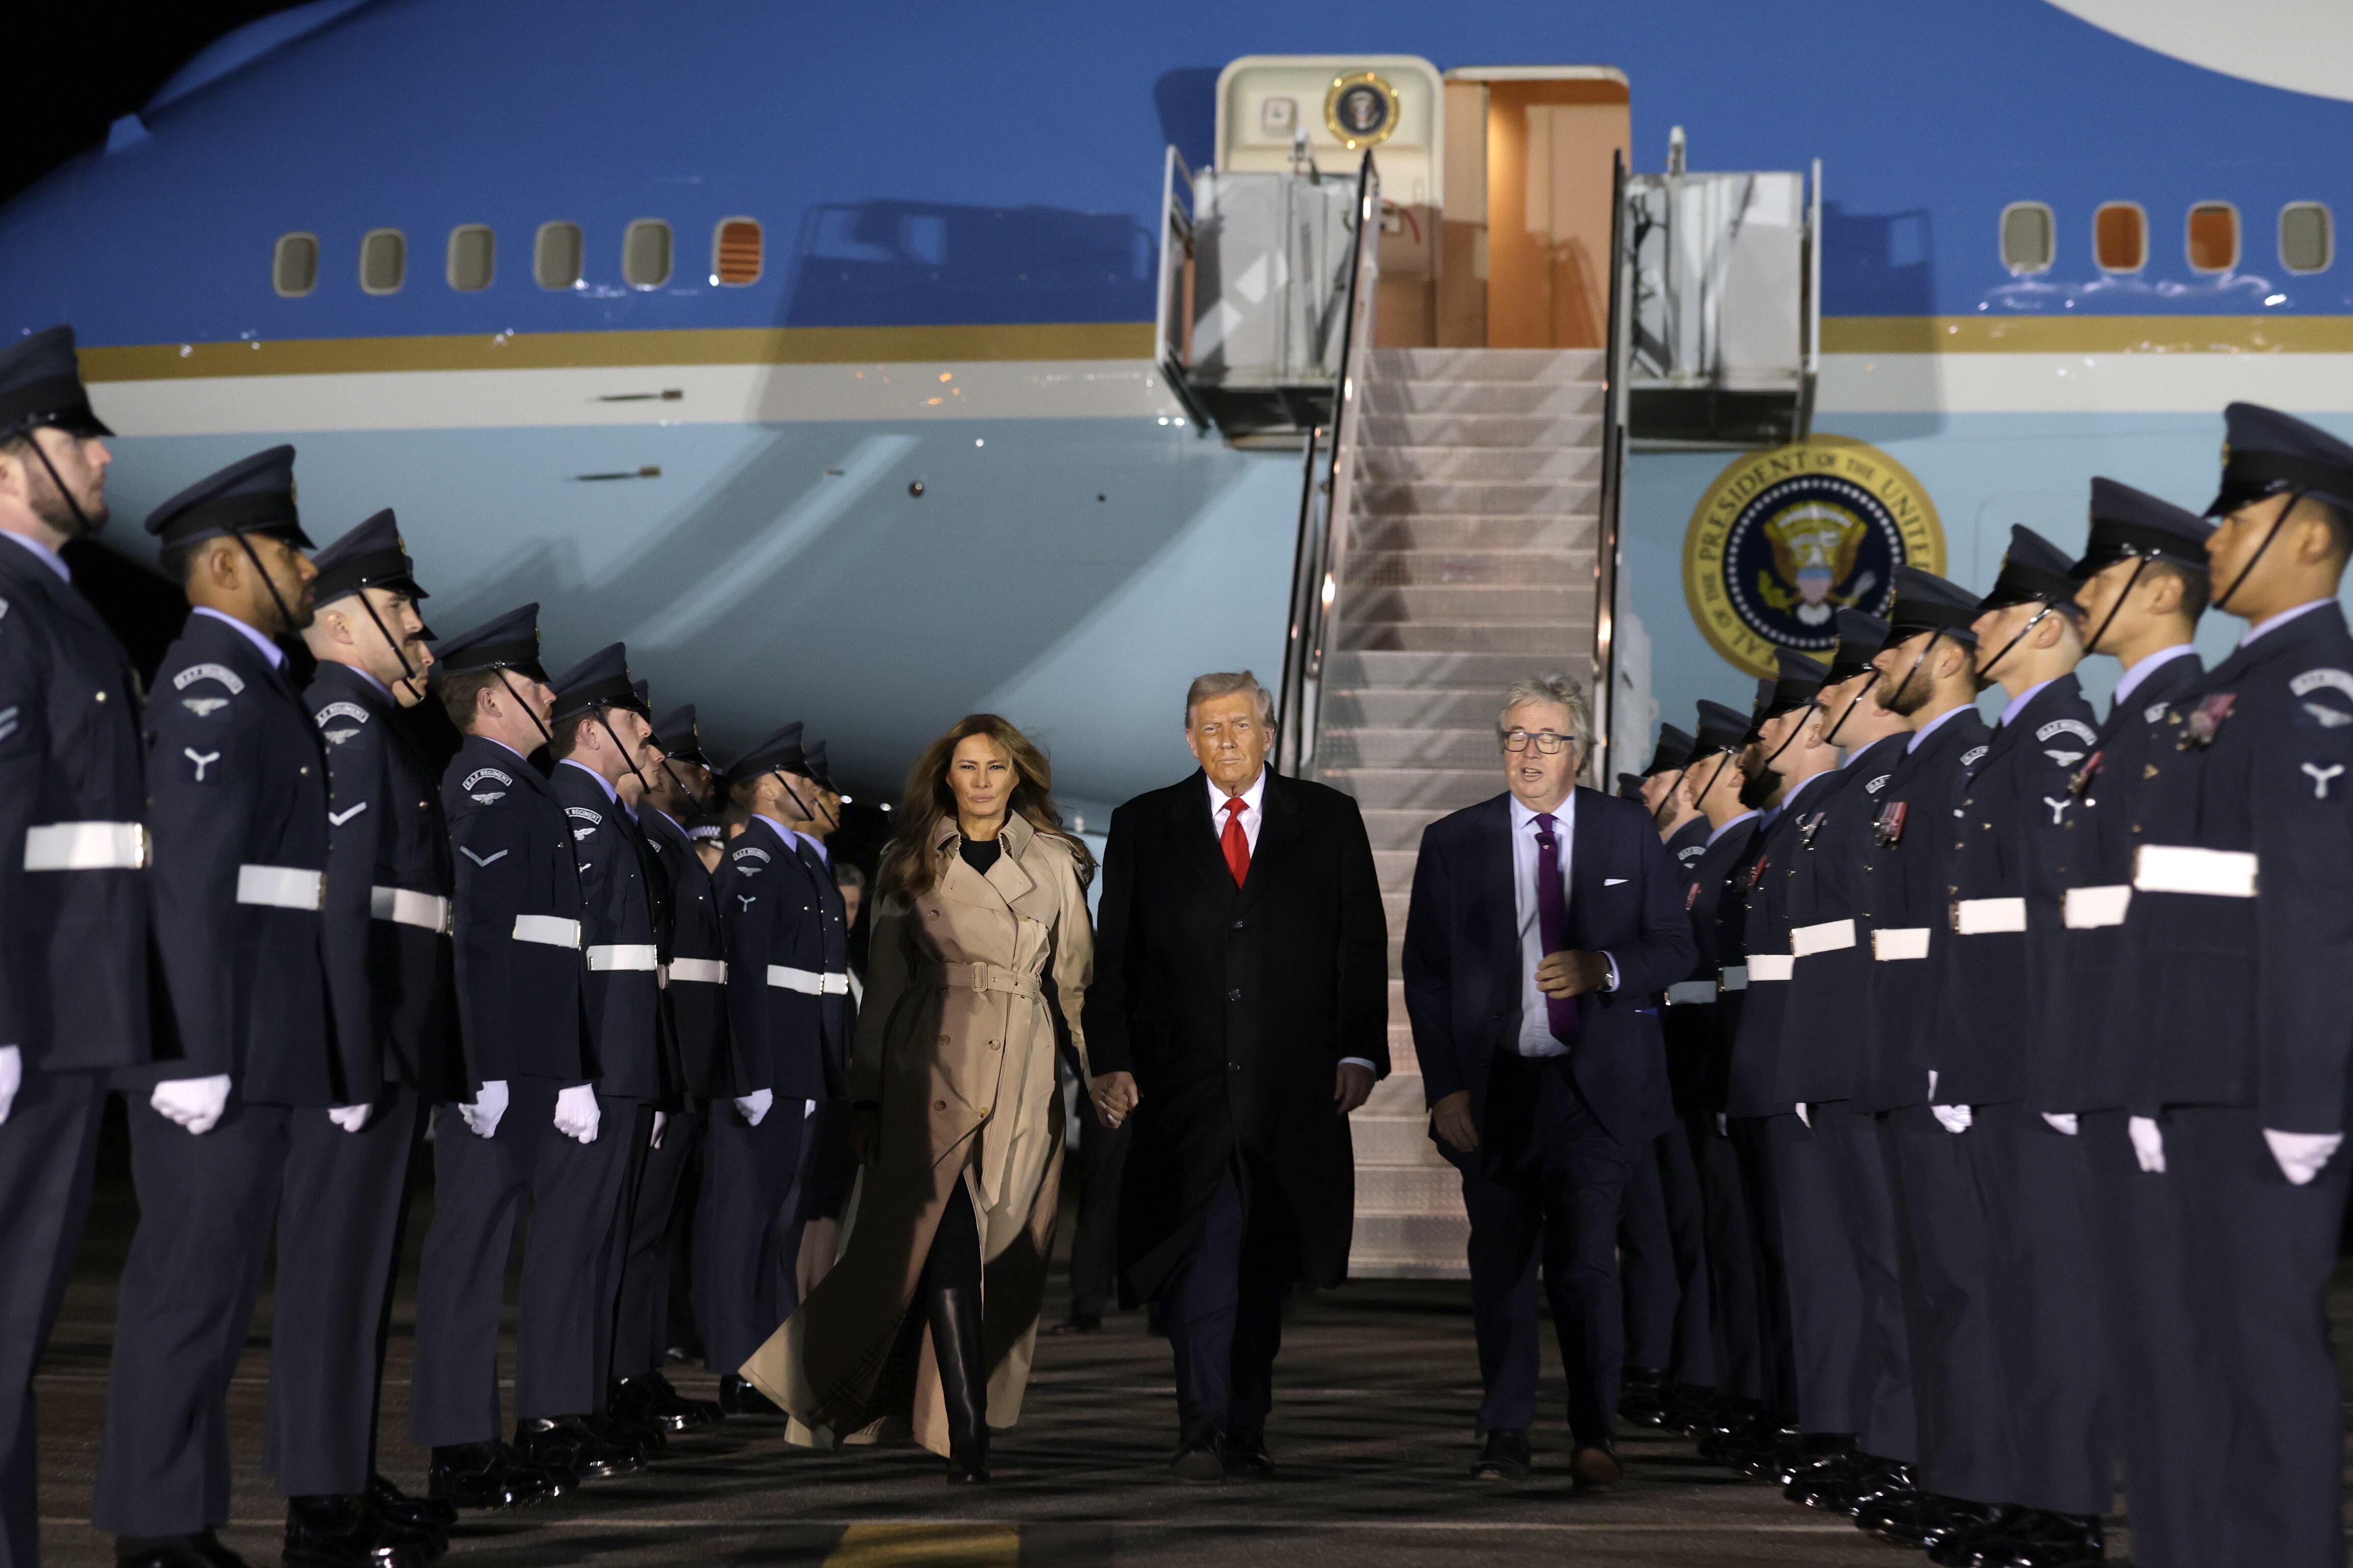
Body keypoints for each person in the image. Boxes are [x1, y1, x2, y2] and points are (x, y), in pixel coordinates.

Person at [91, 449, 362, 1568]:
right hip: (218, 1047)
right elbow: (190, 882)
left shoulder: (256, 686)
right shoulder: (212, 681)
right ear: (222, 562)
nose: (306, 568)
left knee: (211, 1291)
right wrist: (189, 1050)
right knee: (186, 1291)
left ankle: (177, 1516)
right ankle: (155, 1528)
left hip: (261, 1039)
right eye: (288, 549)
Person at [2099, 406, 2353, 1568]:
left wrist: (2302, 1105)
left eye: (2239, 513)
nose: (2213, 536)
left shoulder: (2310, 692)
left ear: (2309, 536)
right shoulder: (2242, 688)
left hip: (2259, 1094)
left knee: (2261, 1363)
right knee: (2188, 1361)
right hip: (2197, 1079)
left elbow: (2312, 913)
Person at [743, 713, 1095, 1484]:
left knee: (1002, 1256)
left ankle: (949, 1411)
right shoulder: (909, 862)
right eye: (966, 767)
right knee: (944, 1241)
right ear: (946, 777)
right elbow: (885, 991)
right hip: (927, 1071)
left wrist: (1098, 1075)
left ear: (1015, 775)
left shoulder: (1058, 862)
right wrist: (867, 1098)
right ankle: (967, 1430)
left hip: (1022, 1078)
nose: (979, 781)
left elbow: (1072, 981)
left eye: (994, 767)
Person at [1085, 670, 1386, 1482]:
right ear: (1189, 739)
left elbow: (1359, 948)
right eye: (1209, 728)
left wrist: (1359, 1051)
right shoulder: (1144, 823)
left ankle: (1244, 1423)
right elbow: (1114, 959)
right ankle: (1203, 1426)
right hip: (1184, 1094)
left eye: (1240, 725)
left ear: (1270, 732)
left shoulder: (1327, 820)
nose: (1225, 740)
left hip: (1291, 1096)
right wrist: (1110, 1059)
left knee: (1265, 1268)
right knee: (1205, 1259)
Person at [1401, 673, 1693, 1485]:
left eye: (1547, 739)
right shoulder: (1453, 840)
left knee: (1585, 1265)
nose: (1529, 754)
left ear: (1581, 750)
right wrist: (1444, 1088)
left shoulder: (1627, 831)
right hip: (1495, 1090)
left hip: (1595, 1092)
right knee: (1499, 1265)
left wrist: (1602, 965)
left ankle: (1595, 1431)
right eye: (1515, 738)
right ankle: (1503, 1429)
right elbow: (1424, 975)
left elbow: (1676, 945)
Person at [1905, 527, 2108, 1565]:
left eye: (1991, 612)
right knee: (2010, 1283)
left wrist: (2063, 1066)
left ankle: (2063, 1506)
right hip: (1990, 1058)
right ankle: (2025, 1490)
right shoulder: (2010, 749)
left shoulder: (2061, 741)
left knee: (2053, 1290)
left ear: (2038, 626)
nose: (1974, 628)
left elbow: (2062, 924)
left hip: (2037, 1064)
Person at [407, 603, 625, 1505]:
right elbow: (480, 941)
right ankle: (457, 1441)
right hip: (498, 1066)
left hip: (534, 1065)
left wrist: (567, 1066)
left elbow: (547, 951)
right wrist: (485, 1064)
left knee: (491, 1247)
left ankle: (479, 1434)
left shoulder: (520, 788)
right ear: (495, 699)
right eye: (537, 685)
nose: (550, 697)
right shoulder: (486, 788)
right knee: (467, 1253)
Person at [272, 509, 458, 1557]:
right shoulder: (342, 723)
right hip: (356, 1043)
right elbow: (339, 904)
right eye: (402, 615)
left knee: (359, 1276)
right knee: (329, 1275)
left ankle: (340, 1470)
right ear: (345, 626)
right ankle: (316, 1502)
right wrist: (346, 1047)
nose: (420, 639)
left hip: (385, 1038)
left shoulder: (372, 722)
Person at [0, 326, 150, 1568]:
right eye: (74, 434)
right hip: (23, 1020)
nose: (102, 452)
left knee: (15, 1336)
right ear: (11, 461)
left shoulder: (55, 605)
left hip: (62, 1021)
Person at [2044, 478, 2214, 1568]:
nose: (2080, 602)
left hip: (2161, 1075)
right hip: (2106, 1064)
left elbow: (2191, 922)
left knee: (2183, 1338)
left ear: (2154, 589)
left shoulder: (2190, 716)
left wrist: (2149, 1079)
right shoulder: (2124, 722)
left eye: (2097, 580)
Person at [1847, 568, 2001, 1549]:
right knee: (1920, 1277)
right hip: (1902, 1052)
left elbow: (1973, 934)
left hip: (1949, 1059)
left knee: (1967, 1284)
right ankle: (1945, 1464)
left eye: (1897, 649)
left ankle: (1981, 1474)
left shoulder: (1967, 763)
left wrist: (1950, 1060)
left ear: (1945, 657)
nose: (1880, 666)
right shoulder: (1915, 768)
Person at [1775, 607, 1924, 1519]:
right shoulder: (1844, 797)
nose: (1824, 694)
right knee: (1859, 1264)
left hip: (1873, 1055)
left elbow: (1884, 946)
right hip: (1832, 1054)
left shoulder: (1883, 791)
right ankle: (1874, 1432)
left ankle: (1901, 1442)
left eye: (1837, 680)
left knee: (1894, 1267)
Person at [1722, 649, 1853, 1486]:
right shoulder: (1793, 824)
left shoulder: (1830, 813)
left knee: (1837, 1264)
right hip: (1775, 1063)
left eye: (1772, 719)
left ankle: (1842, 1424)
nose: (1757, 737)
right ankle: (1812, 1413)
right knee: (1793, 1261)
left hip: (1823, 1065)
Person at [541, 646, 674, 1464]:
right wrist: (573, 1071)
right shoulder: (579, 813)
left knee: (601, 1244)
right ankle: (556, 1412)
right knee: (572, 1245)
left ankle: (582, 1400)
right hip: (597, 1064)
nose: (648, 734)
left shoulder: (608, 816)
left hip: (626, 1063)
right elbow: (568, 960)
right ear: (593, 731)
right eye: (633, 722)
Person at [699, 723, 833, 1417]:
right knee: (743, 1224)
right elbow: (745, 977)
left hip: (794, 1070)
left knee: (777, 1227)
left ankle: (771, 1359)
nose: (814, 788)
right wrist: (749, 1072)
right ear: (768, 789)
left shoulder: (795, 861)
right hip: (764, 1073)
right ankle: (737, 1367)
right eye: (800, 778)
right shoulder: (753, 858)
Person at [614, 702, 725, 1431]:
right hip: (660, 1062)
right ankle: (618, 1377)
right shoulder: (649, 838)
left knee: (650, 1237)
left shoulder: (672, 840)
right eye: (684, 763)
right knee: (633, 1234)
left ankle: (638, 1371)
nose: (696, 775)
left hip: (681, 1067)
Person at [1672, 701, 1770, 1456]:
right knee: (1725, 1242)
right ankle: (1738, 1386)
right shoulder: (1722, 854)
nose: (1684, 784)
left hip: (1735, 1061)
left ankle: (1756, 1392)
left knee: (1745, 1245)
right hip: (1709, 1065)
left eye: (1703, 765)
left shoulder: (1743, 848)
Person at [1616, 720, 1715, 1430]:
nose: (1646, 789)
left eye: (1656, 778)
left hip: (1688, 1063)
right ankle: (1666, 1363)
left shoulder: (1694, 858)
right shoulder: (1671, 860)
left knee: (1680, 1226)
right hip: (1664, 1064)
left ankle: (1679, 1368)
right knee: (1660, 1224)